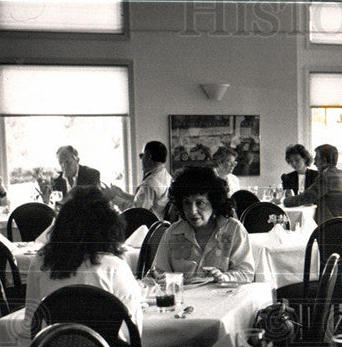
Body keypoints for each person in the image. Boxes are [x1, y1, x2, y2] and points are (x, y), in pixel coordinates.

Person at [23, 186, 141, 333]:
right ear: (108, 228)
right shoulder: (115, 267)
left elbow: (31, 323)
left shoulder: (40, 262)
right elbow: (134, 331)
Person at [152, 165, 254, 284]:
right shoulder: (173, 232)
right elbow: (159, 271)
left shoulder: (234, 230)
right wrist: (168, 278)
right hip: (185, 299)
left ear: (214, 202)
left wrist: (224, 277)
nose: (192, 210)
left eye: (200, 203)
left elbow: (246, 273)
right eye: (187, 203)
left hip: (222, 298)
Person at [282, 143, 342, 224]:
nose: (314, 163)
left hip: (330, 224)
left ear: (324, 161)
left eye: (317, 158)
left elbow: (307, 197)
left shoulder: (326, 176)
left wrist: (285, 201)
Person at [103, 141, 172, 219]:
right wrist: (122, 194)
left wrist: (113, 198)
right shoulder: (166, 176)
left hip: (147, 226)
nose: (141, 159)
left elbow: (136, 212)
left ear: (148, 156)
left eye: (141, 155)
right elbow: (143, 201)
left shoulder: (150, 183)